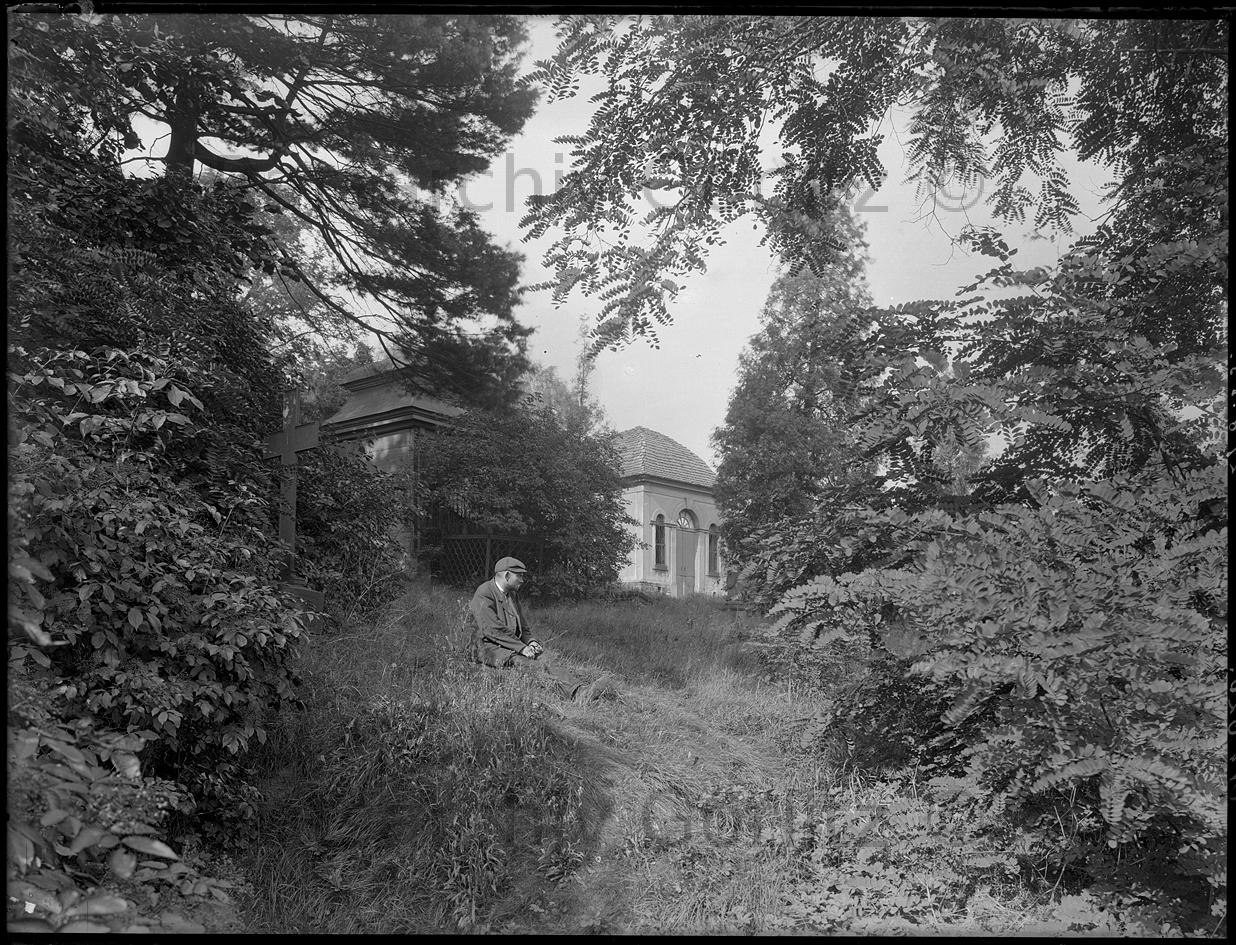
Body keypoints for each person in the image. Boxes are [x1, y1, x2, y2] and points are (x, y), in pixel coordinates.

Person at [468, 556, 615, 703]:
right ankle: (574, 695)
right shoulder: (485, 593)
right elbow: (492, 629)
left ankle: (580, 691)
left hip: (509, 645)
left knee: (547, 657)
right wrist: (521, 648)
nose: (522, 580)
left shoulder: (512, 595)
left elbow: (523, 626)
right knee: (529, 664)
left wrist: (531, 642)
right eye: (519, 575)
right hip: (488, 647)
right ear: (507, 576)